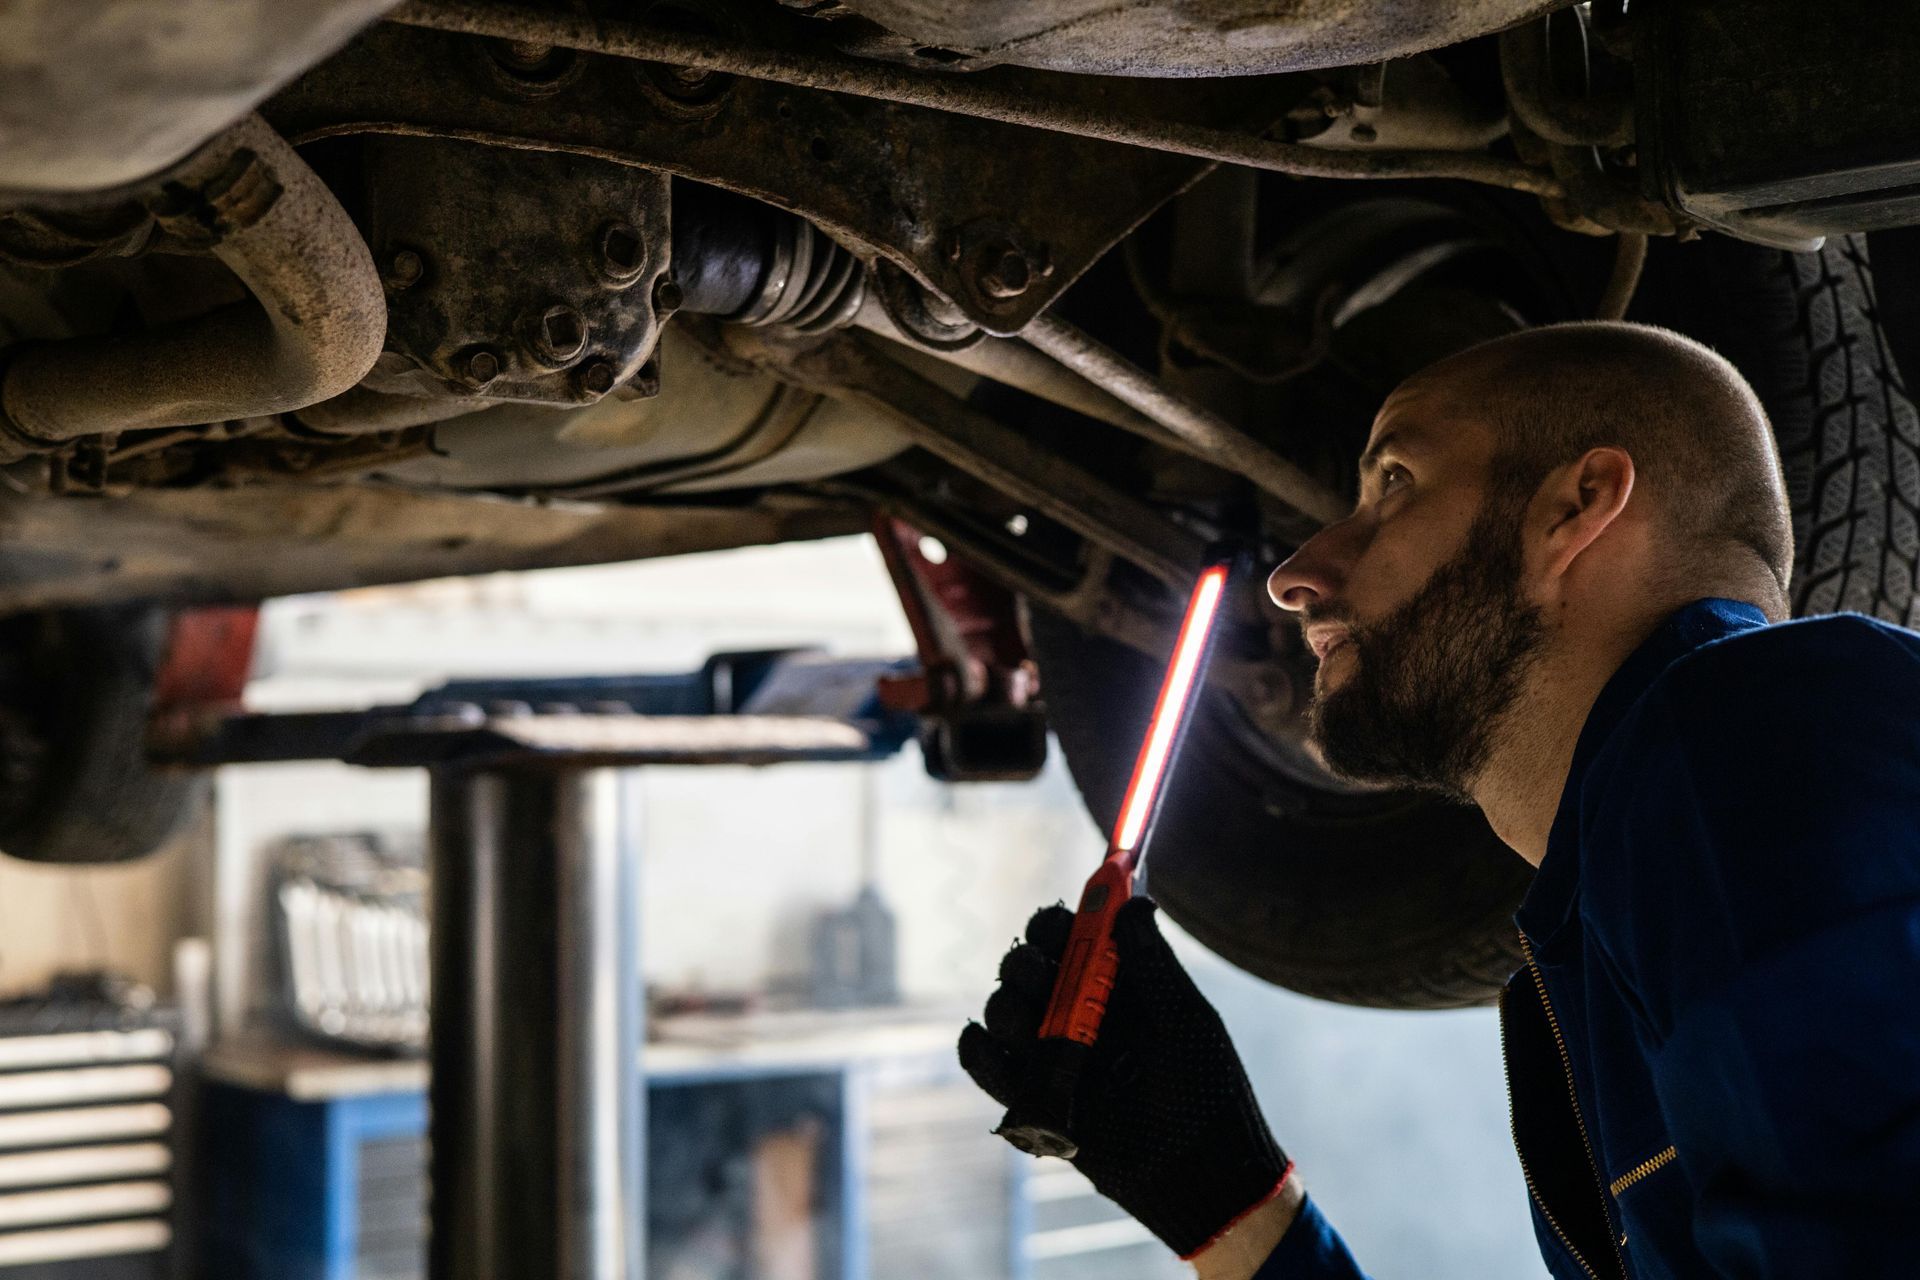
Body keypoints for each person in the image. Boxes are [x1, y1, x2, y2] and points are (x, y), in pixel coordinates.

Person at [960, 320, 1920, 1278]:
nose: (1295, 576)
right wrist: (1235, 1211)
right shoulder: (1640, 877)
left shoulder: (1751, 736)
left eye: (1393, 485)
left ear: (1577, 508)